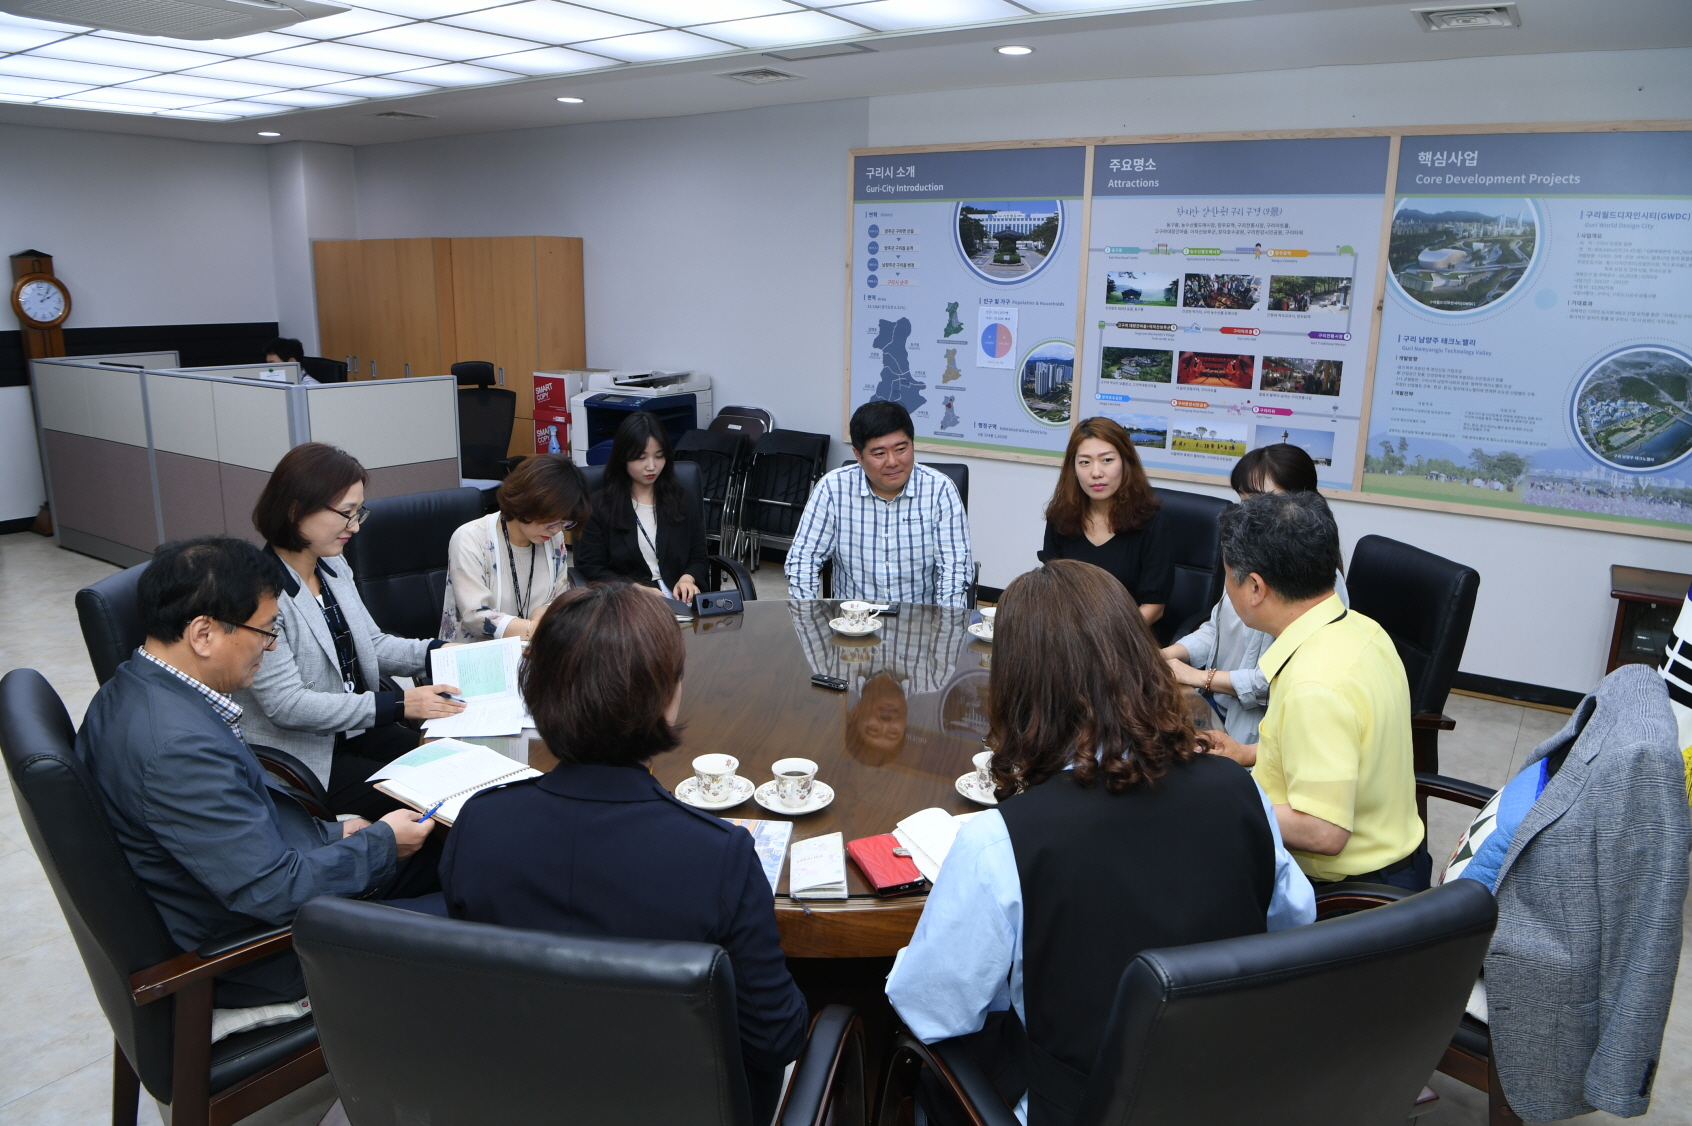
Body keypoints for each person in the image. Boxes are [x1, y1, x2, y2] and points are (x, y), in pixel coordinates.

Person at [885, 559, 1313, 1126]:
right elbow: (1291, 925)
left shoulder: (1000, 842)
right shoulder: (1240, 793)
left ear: (1017, 684)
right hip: (1227, 1088)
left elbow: (933, 1010)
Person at [440, 582, 807, 1124]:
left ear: (537, 694)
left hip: (517, 1098)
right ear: (666, 696)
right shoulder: (718, 855)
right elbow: (777, 1039)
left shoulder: (479, 824)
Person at [75, 537, 435, 1014]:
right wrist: (382, 844)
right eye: (266, 630)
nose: (270, 645)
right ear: (203, 633)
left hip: (244, 885)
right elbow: (271, 892)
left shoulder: (133, 686)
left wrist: (334, 833)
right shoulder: (177, 750)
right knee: (466, 854)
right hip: (262, 951)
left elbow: (223, 839)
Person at [1203, 491, 1426, 889]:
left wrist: (1216, 793)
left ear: (1255, 587)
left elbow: (1323, 832)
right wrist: (1247, 754)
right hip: (1398, 864)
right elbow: (1349, 750)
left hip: (1346, 898)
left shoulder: (1314, 685)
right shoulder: (1361, 628)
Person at [238, 442, 465, 819]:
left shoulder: (332, 565)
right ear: (295, 510)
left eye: (358, 512)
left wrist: (439, 651)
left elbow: (370, 645)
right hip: (309, 754)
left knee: (457, 771)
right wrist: (401, 704)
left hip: (360, 727)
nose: (355, 527)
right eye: (345, 514)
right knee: (430, 802)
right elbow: (287, 705)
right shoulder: (261, 595)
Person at [1161, 443, 1348, 746]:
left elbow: (1278, 679)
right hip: (1219, 707)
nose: (1249, 514)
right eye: (1244, 501)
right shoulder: (1248, 559)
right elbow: (1218, 628)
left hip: (1259, 735)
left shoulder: (1320, 584)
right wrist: (1170, 656)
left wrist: (1200, 677)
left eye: (1261, 502)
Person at [785, 401, 973, 608]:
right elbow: (803, 561)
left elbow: (954, 570)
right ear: (858, 455)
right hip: (854, 622)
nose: (892, 462)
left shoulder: (940, 490)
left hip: (920, 621)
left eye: (901, 449)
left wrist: (947, 627)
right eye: (879, 454)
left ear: (912, 443)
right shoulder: (832, 488)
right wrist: (808, 618)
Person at [441, 454, 591, 642]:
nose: (557, 530)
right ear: (528, 503)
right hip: (477, 656)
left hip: (533, 651)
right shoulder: (471, 539)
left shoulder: (554, 537)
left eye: (565, 523)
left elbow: (557, 598)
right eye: (552, 521)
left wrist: (541, 614)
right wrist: (532, 630)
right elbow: (476, 617)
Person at [1039, 416, 1171, 624]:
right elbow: (1051, 590)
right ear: (1073, 469)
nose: (1096, 473)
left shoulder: (1152, 525)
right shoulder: (1060, 519)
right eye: (1085, 462)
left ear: (1125, 463)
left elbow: (1154, 608)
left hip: (1127, 638)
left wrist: (1102, 637)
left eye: (1107, 460)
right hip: (1070, 636)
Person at [574, 412, 709, 603]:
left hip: (681, 601)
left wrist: (688, 578)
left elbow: (699, 557)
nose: (651, 466)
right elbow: (591, 567)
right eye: (641, 458)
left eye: (659, 456)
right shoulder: (600, 506)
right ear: (623, 458)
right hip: (628, 604)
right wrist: (631, 588)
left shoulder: (681, 499)